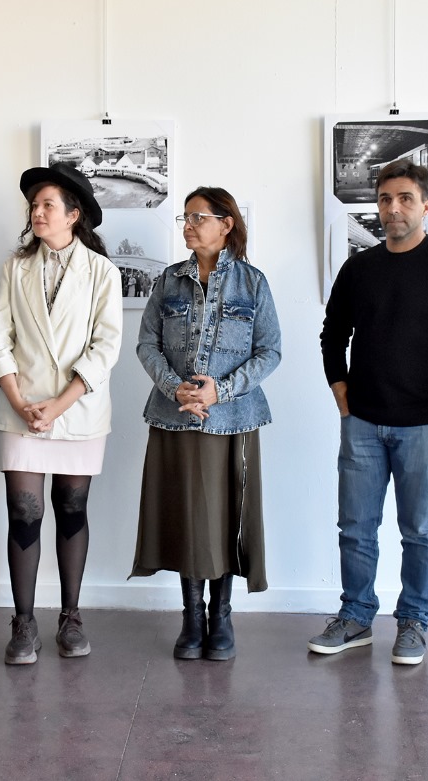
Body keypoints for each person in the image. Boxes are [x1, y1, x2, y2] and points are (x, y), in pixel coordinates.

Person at [308, 159, 428, 664]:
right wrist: (340, 390)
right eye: (386, 199)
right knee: (355, 526)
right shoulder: (359, 268)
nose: (394, 209)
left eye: (405, 199)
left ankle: (413, 621)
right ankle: (355, 616)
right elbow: (332, 334)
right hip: (363, 423)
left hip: (424, 425)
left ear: (426, 205)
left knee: (419, 530)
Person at [130, 187, 282, 661]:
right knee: (184, 517)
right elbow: (147, 345)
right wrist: (176, 387)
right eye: (186, 217)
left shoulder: (253, 284)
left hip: (233, 420)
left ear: (226, 224)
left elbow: (270, 351)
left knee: (226, 519)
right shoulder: (168, 282)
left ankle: (222, 616)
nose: (189, 225)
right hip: (174, 419)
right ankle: (191, 617)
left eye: (199, 217)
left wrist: (220, 390)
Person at [0, 163, 123, 664]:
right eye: (34, 205)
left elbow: (106, 347)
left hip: (79, 409)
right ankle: (23, 622)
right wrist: (21, 401)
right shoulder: (14, 266)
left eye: (47, 205)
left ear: (73, 214)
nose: (37, 213)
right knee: (24, 511)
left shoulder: (102, 271)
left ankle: (70, 615)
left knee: (71, 509)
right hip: (21, 406)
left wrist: (60, 404)